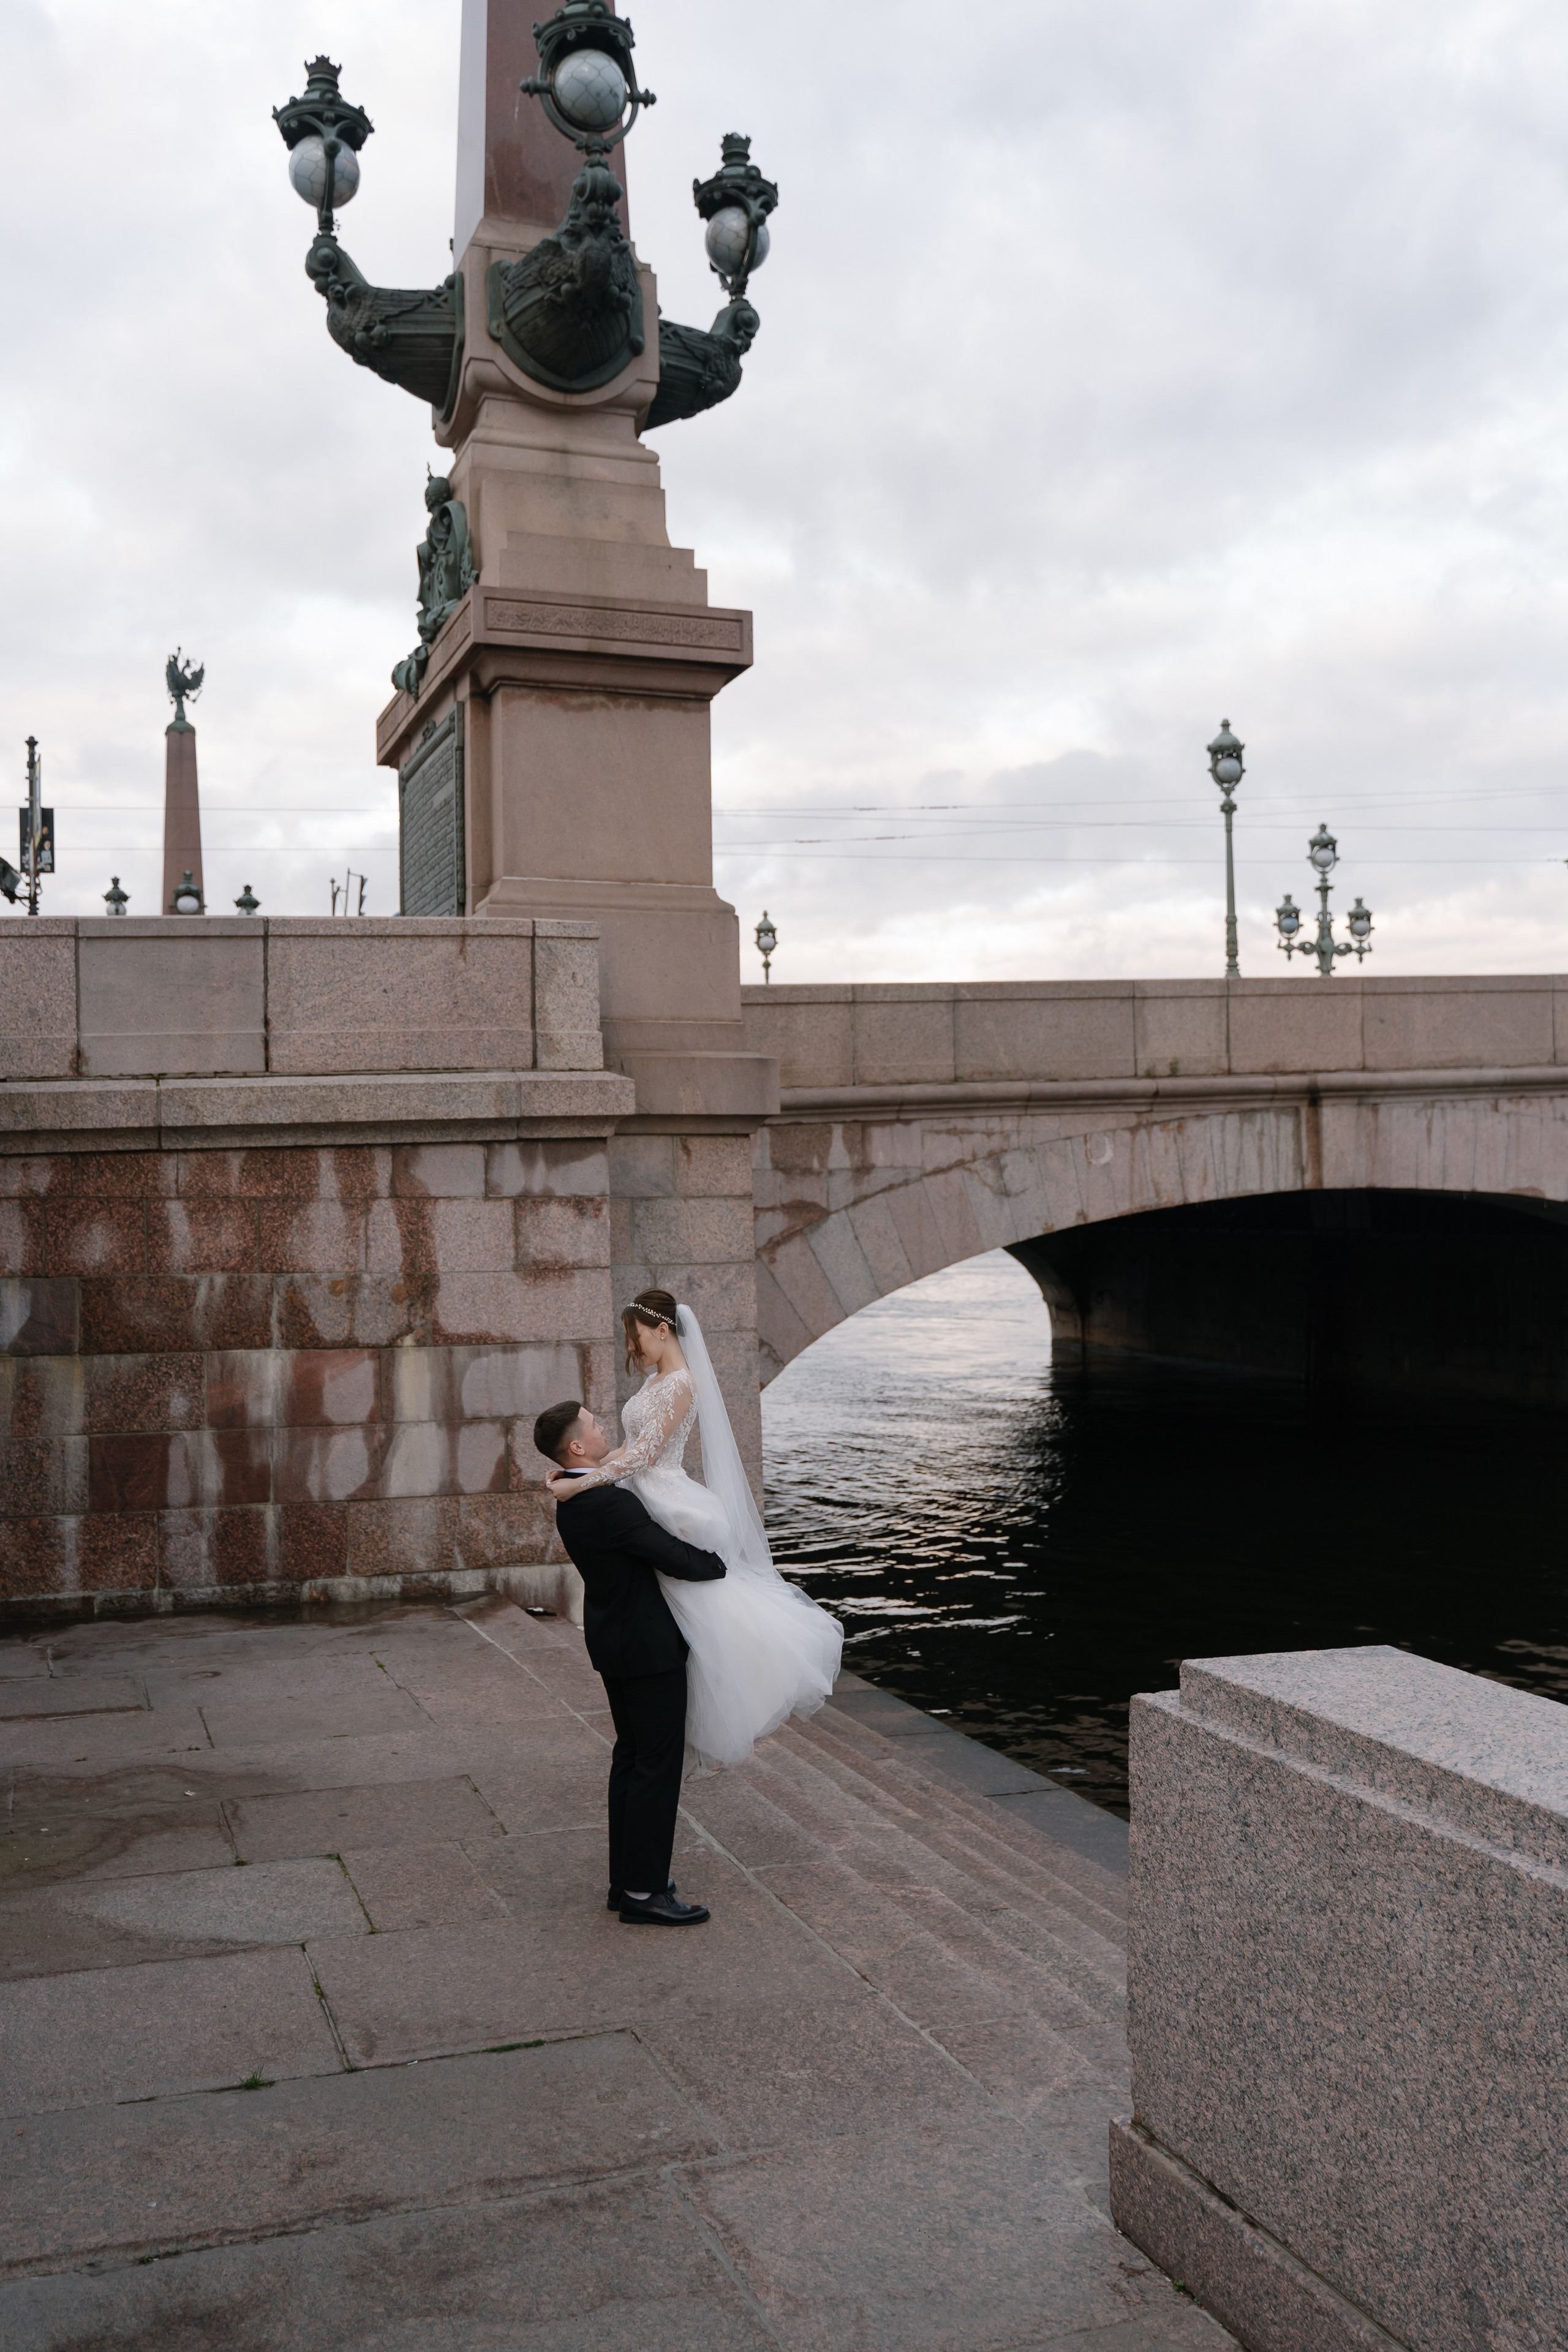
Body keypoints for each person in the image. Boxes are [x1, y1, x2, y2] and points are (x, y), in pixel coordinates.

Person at [545, 1290, 843, 1770]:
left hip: (665, 1492)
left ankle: (722, 1688)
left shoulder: (681, 1382)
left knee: (701, 1603)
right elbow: (627, 1447)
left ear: (662, 1331)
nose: (633, 1349)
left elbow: (645, 1457)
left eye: (636, 1338)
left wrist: (584, 1486)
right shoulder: (653, 1382)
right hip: (641, 1489)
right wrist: (578, 1476)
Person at [532, 1397, 725, 1928]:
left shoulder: (575, 1496)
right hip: (647, 1649)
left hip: (616, 1642)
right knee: (656, 1768)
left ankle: (628, 1883)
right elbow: (669, 1555)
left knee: (632, 1759)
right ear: (576, 1446)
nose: (604, 1429)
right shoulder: (608, 1505)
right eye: (594, 1426)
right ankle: (643, 1892)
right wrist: (722, 1565)